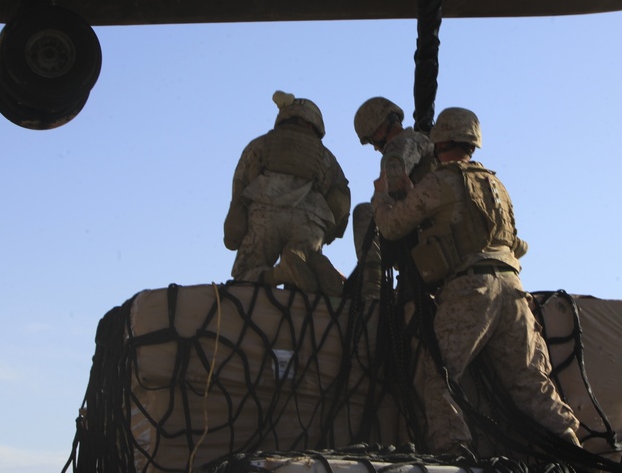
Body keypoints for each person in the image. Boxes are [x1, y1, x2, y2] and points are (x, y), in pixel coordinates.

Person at [370, 107, 581, 454]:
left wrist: (382, 195)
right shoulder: (498, 185)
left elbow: (392, 225)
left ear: (438, 142)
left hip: (471, 289)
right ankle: (572, 452)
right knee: (530, 383)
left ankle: (454, 448)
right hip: (513, 289)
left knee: (439, 372)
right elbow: (517, 243)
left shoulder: (441, 181)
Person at [224, 90, 350, 295]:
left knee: (245, 277)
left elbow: (239, 188)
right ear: (315, 124)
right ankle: (316, 264)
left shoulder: (259, 144)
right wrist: (327, 235)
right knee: (306, 281)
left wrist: (233, 231)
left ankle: (279, 274)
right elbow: (340, 200)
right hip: (310, 221)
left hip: (265, 215)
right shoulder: (327, 157)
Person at [351, 97, 435, 297]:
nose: (374, 147)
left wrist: (380, 203)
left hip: (421, 226)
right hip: (431, 223)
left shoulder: (402, 144)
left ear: (380, 127)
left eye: (371, 140)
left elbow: (394, 182)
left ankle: (372, 289)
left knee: (365, 212)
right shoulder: (422, 141)